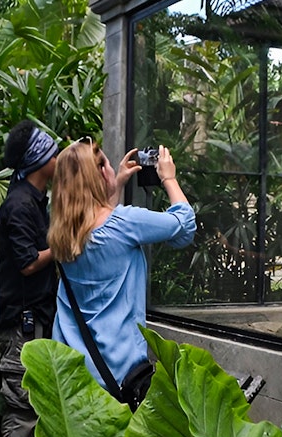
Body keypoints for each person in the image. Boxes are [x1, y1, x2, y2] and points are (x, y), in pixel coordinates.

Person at [48, 139, 195, 400]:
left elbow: (96, 222)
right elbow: (184, 227)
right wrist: (168, 178)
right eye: (105, 165)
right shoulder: (125, 224)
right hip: (119, 373)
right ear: (101, 174)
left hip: (75, 370)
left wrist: (115, 185)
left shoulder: (63, 233)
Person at [0, 120, 58, 437]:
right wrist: (62, 246)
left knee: (37, 406)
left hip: (37, 319)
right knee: (23, 408)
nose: (58, 155)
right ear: (39, 160)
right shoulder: (19, 204)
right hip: (23, 324)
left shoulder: (36, 199)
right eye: (52, 151)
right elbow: (28, 262)